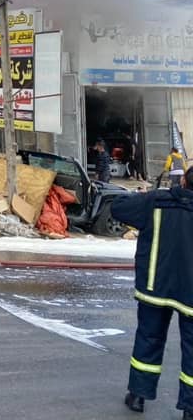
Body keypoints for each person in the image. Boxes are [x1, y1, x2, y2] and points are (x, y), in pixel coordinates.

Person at [112, 168, 193, 418]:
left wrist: (142, 195)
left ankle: (138, 395)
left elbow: (118, 207)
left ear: (183, 180)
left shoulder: (156, 201)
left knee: (149, 338)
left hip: (154, 287)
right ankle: (190, 409)